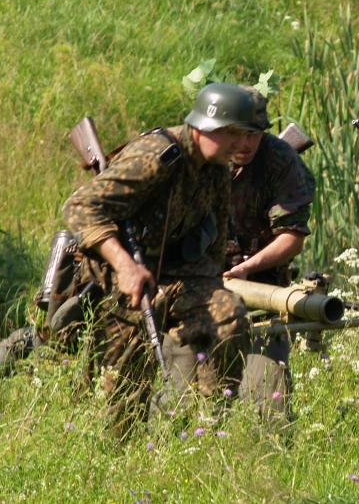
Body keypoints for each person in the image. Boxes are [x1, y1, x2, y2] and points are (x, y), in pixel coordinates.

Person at [61, 83, 261, 435]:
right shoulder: (157, 156)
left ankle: (206, 426)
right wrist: (125, 266)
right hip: (114, 280)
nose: (241, 144)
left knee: (229, 317)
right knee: (122, 407)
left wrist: (207, 298)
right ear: (206, 127)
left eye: (246, 135)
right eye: (234, 134)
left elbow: (213, 253)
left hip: (172, 275)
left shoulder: (216, 169)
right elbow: (79, 207)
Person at [222, 87, 316, 422]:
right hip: (201, 283)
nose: (245, 144)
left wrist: (247, 268)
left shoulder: (281, 159)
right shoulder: (201, 157)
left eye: (254, 135)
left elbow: (292, 237)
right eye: (237, 135)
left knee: (268, 404)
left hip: (262, 287)